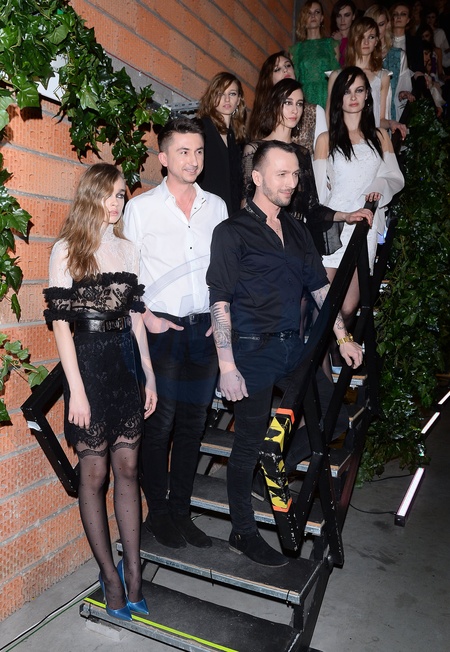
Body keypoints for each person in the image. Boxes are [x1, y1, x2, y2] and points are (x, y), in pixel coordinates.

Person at [207, 140, 364, 567]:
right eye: (282, 174)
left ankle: (273, 462)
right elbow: (219, 301)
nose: (291, 182)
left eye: (295, 174)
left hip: (292, 346)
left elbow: (320, 290)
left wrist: (344, 338)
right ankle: (243, 531)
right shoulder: (232, 231)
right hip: (250, 350)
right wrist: (226, 365)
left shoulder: (296, 230)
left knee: (334, 414)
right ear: (257, 177)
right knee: (247, 443)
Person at [44, 163, 157, 621]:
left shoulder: (128, 249)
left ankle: (135, 575)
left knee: (128, 469)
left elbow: (135, 318)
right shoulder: (67, 249)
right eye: (109, 194)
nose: (116, 203)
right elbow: (62, 327)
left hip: (125, 366)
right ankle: (109, 577)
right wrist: (76, 391)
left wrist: (148, 372)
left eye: (122, 195)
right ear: (91, 196)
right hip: (88, 368)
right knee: (94, 475)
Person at [123, 117, 228, 550]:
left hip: (203, 329)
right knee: (159, 424)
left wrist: (221, 321)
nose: (193, 160)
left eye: (199, 151)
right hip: (161, 329)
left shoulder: (217, 207)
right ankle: (159, 514)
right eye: (183, 151)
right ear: (163, 157)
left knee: (193, 424)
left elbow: (225, 273)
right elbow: (125, 275)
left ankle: (182, 513)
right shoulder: (140, 208)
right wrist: (146, 317)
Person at [314, 67, 404, 364]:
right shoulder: (325, 139)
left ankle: (334, 353)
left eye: (359, 90)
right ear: (338, 97)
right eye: (346, 90)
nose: (353, 97)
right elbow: (319, 192)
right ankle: (324, 368)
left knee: (349, 306)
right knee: (324, 303)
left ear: (367, 96)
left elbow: (394, 177)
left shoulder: (380, 136)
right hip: (335, 226)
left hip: (364, 227)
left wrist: (377, 187)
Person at [242, 78, 373, 257]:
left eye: (299, 104)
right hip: (263, 238)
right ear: (274, 105)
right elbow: (247, 201)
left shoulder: (302, 154)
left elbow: (312, 208)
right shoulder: (255, 149)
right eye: (288, 103)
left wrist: (346, 215)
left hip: (296, 239)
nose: (294, 110)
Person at [328, 16, 407, 138]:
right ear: (353, 39)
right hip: (343, 138)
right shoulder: (337, 75)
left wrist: (391, 123)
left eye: (371, 37)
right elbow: (329, 114)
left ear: (376, 41)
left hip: (371, 139)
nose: (366, 42)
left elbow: (380, 119)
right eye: (361, 37)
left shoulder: (382, 76)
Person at [248, 50, 327, 155]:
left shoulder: (314, 111)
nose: (285, 70)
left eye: (288, 65)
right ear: (268, 79)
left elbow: (322, 154)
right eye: (277, 69)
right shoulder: (261, 114)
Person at [197, 72, 246, 215]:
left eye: (232, 94)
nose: (227, 99)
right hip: (205, 210)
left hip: (232, 214)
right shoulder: (200, 128)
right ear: (212, 97)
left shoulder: (239, 139)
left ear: (238, 100)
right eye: (220, 93)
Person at [364, 4, 415, 122]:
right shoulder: (361, 54)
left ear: (387, 25)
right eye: (372, 25)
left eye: (381, 24)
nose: (376, 30)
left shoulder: (399, 55)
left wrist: (403, 94)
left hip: (390, 116)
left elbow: (402, 89)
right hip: (365, 115)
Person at [291, 1, 340, 109]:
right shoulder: (296, 49)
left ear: (322, 18)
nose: (313, 16)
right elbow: (294, 80)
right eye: (309, 13)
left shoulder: (331, 44)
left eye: (317, 12)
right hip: (304, 98)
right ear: (304, 18)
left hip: (326, 97)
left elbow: (335, 76)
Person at [331, 0, 357, 66]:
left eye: (347, 15)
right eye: (339, 16)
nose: (342, 20)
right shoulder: (329, 41)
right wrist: (336, 43)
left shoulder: (358, 39)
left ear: (353, 16)